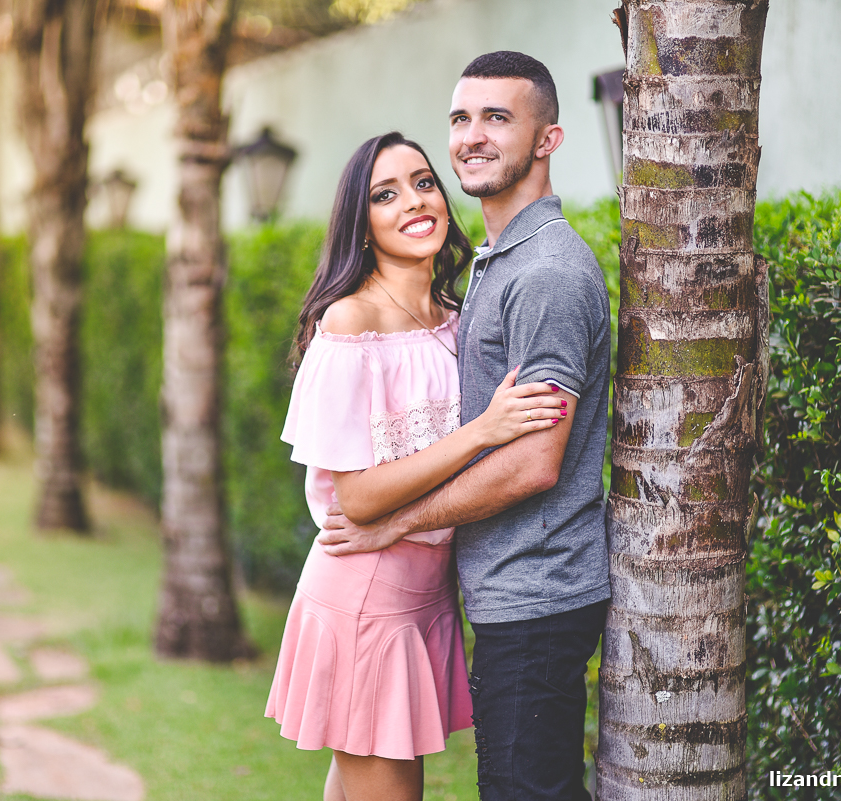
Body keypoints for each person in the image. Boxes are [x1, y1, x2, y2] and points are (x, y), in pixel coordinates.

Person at [318, 52, 612, 801]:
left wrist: (399, 522)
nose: (472, 136)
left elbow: (535, 462)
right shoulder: (490, 267)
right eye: (460, 118)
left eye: (498, 118)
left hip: (537, 593)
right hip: (490, 591)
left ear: (547, 139)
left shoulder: (545, 272)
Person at [265, 131, 567, 801]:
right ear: (361, 224)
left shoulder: (456, 318)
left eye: (424, 182)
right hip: (367, 597)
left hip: (427, 595)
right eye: (386, 194)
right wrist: (482, 431)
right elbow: (358, 499)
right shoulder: (350, 323)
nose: (414, 201)